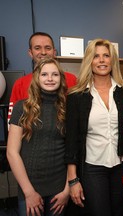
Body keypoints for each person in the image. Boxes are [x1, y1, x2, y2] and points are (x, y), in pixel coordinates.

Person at [64, 38, 123, 216]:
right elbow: (71, 139)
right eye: (96, 56)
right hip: (92, 167)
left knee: (122, 213)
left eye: (106, 56)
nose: (102, 60)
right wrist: (72, 179)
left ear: (113, 60)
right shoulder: (76, 96)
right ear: (89, 61)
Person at [6, 58, 69, 216]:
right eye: (44, 74)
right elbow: (12, 153)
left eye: (55, 74)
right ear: (37, 78)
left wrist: (67, 189)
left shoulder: (68, 108)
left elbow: (73, 152)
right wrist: (29, 192)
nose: (49, 78)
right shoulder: (22, 107)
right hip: (30, 187)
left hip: (59, 189)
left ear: (60, 78)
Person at [8, 32, 77, 122]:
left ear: (54, 52)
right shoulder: (20, 84)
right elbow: (12, 122)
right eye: (37, 48)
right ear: (30, 53)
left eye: (48, 48)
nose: (43, 52)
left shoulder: (72, 79)